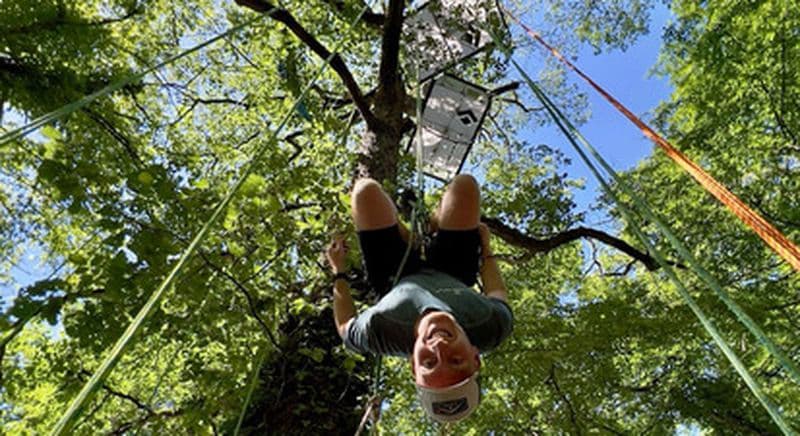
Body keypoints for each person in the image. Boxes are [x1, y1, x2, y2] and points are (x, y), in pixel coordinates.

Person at [325, 174, 513, 422]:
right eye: (456, 360)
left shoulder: (381, 332)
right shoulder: (491, 326)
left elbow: (344, 326)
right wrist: (486, 249)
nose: (439, 347)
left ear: (413, 365)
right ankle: (430, 226)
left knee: (364, 191)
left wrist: (338, 271)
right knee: (465, 186)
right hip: (453, 269)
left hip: (394, 273)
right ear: (475, 357)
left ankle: (409, 238)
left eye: (428, 362)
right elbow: (496, 292)